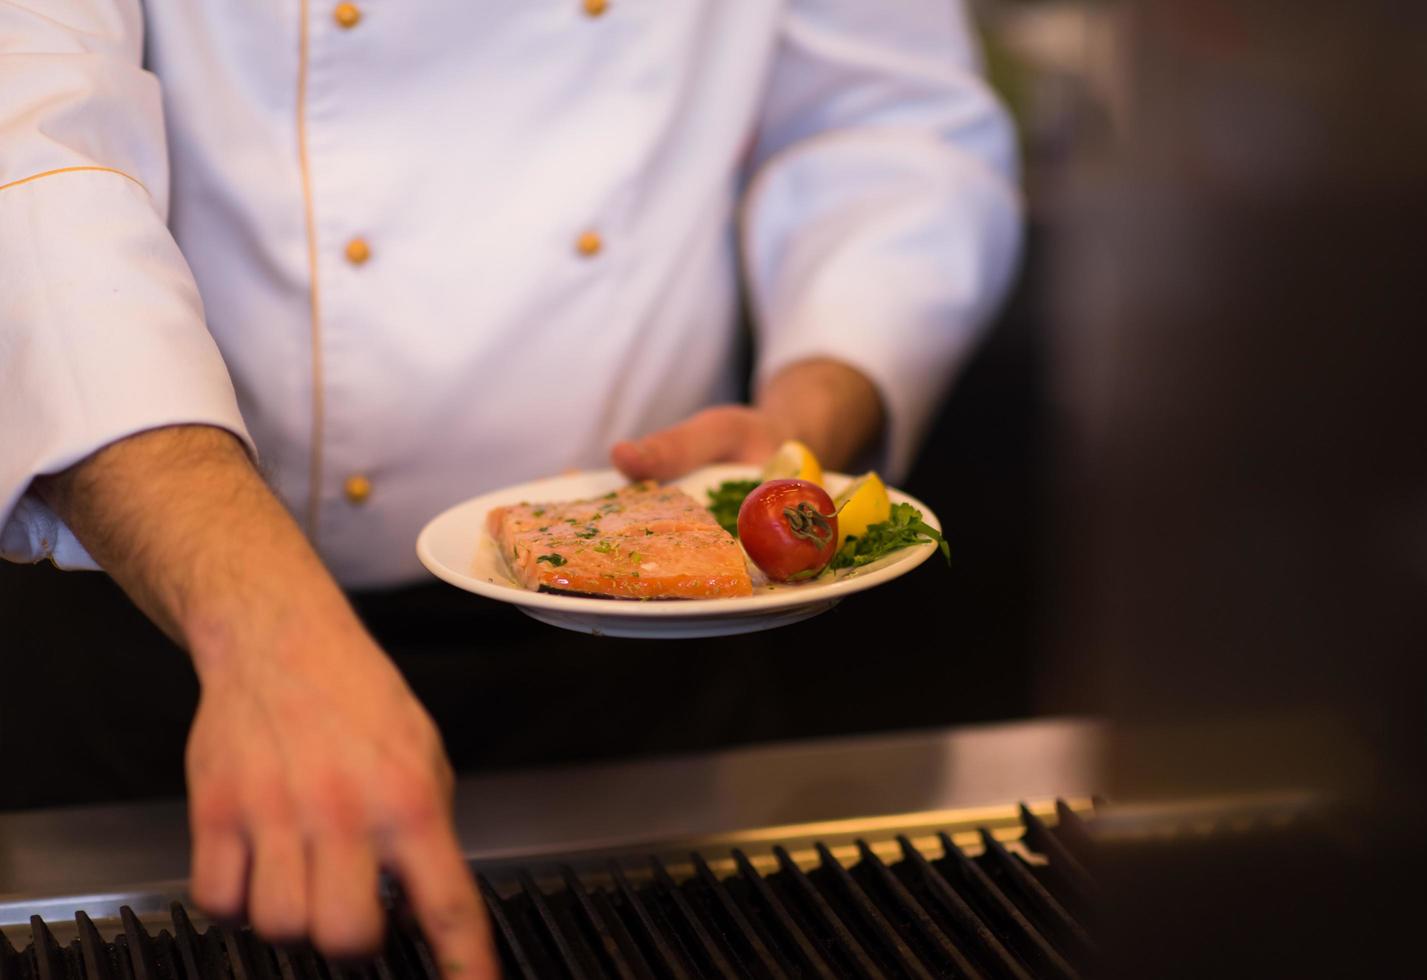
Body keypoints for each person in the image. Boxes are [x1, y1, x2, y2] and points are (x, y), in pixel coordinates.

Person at [0, 0, 1021, 976]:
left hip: (649, 665)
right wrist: (256, 626)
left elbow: (883, 123)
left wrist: (802, 431)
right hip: (187, 655)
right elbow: (32, 143)